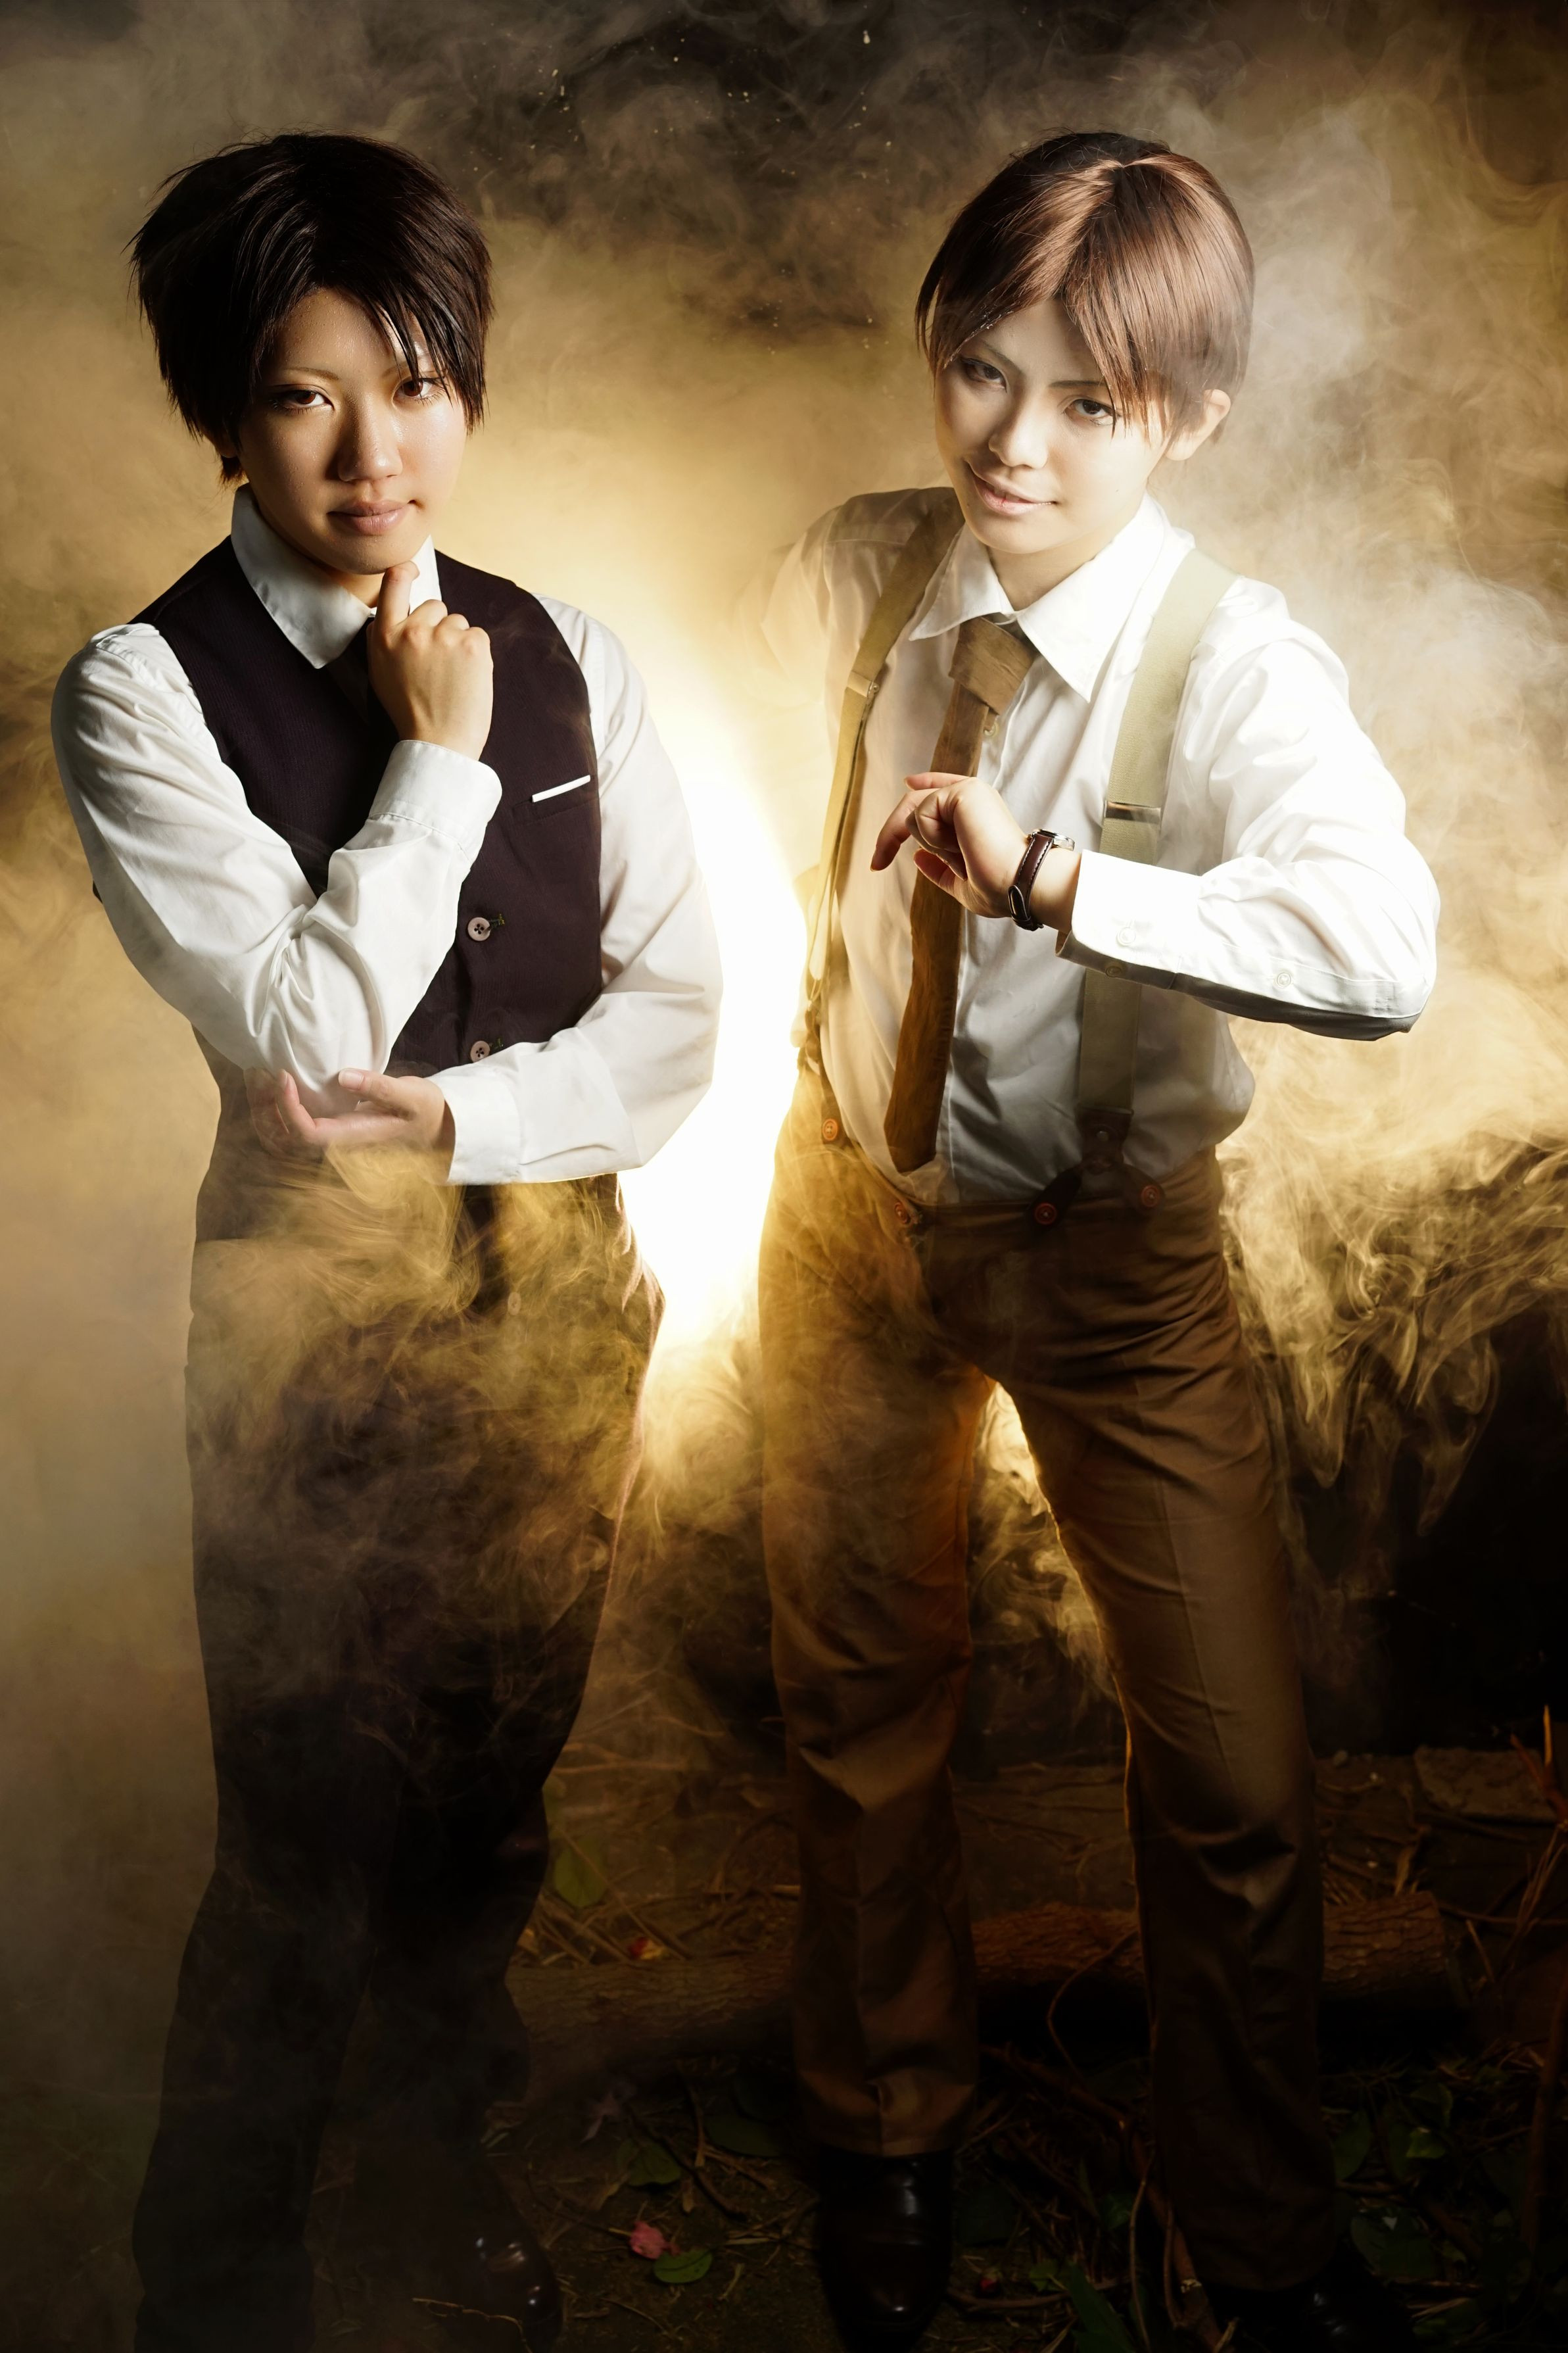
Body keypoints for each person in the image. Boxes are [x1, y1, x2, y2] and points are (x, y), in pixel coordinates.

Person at [749, 131, 1436, 2352]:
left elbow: (1378, 949)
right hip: (847, 1216)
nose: (1013, 445)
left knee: (1230, 1775)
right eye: (979, 369)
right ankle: (884, 2130)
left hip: (1114, 1261)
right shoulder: (850, 572)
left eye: (1087, 402)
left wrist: (1059, 881)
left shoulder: (1238, 666)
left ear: (1189, 419)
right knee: (860, 1698)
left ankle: (1252, 2231)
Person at [53, 132, 721, 2353]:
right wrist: (436, 763)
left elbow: (677, 1025)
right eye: (308, 395)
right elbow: (298, 1038)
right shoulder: (140, 691)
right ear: (223, 416)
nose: (377, 453)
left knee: (491, 1807)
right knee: (299, 1843)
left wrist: (466, 1121)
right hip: (308, 1316)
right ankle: (218, 2276)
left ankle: (436, 2180)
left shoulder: (573, 649)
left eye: (418, 385)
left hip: (565, 1288)